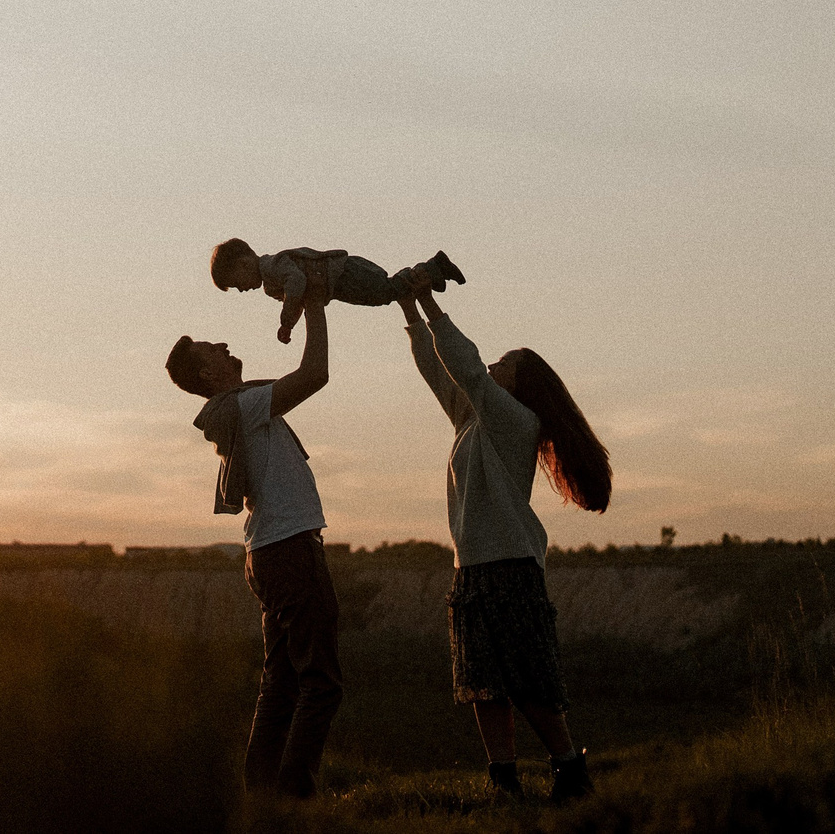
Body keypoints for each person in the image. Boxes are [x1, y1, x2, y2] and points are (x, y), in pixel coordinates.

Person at [400, 285, 612, 804]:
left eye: (504, 363)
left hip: (510, 565)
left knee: (528, 680)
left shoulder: (517, 422)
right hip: (472, 567)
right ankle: (505, 781)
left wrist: (429, 302)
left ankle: (569, 768)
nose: (493, 365)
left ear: (522, 385)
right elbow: (440, 369)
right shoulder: (472, 418)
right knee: (483, 682)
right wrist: (407, 308)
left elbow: (467, 368)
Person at [166, 284, 339, 799]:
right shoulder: (242, 407)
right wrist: (314, 305)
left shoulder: (246, 403)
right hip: (287, 550)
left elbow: (289, 381)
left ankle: (260, 798)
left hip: (271, 551)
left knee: (282, 686)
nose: (222, 345)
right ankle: (292, 796)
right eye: (210, 350)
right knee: (321, 683)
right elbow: (315, 375)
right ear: (207, 374)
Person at [211, 239, 465, 343]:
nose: (241, 290)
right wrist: (292, 321)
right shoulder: (270, 285)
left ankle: (432, 267)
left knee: (384, 291)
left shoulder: (273, 265)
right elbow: (297, 299)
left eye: (236, 283)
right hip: (339, 284)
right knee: (385, 295)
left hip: (344, 272)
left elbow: (297, 283)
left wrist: (286, 321)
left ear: (244, 263)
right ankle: (429, 277)